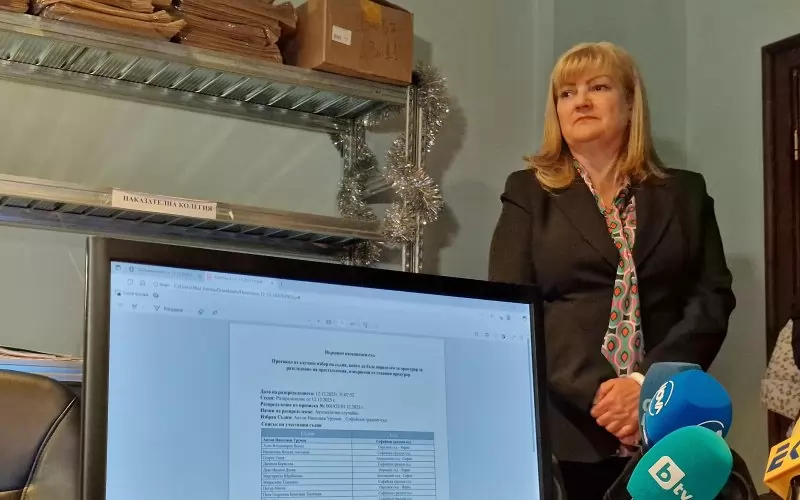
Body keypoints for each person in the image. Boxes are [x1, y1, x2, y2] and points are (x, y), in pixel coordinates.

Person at [488, 42, 736, 499]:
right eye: (566, 93)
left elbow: (711, 299)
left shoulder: (686, 193)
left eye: (598, 87)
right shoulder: (527, 193)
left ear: (630, 103)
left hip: (671, 426)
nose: (580, 101)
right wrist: (605, 397)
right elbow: (513, 307)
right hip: (567, 431)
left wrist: (645, 387)